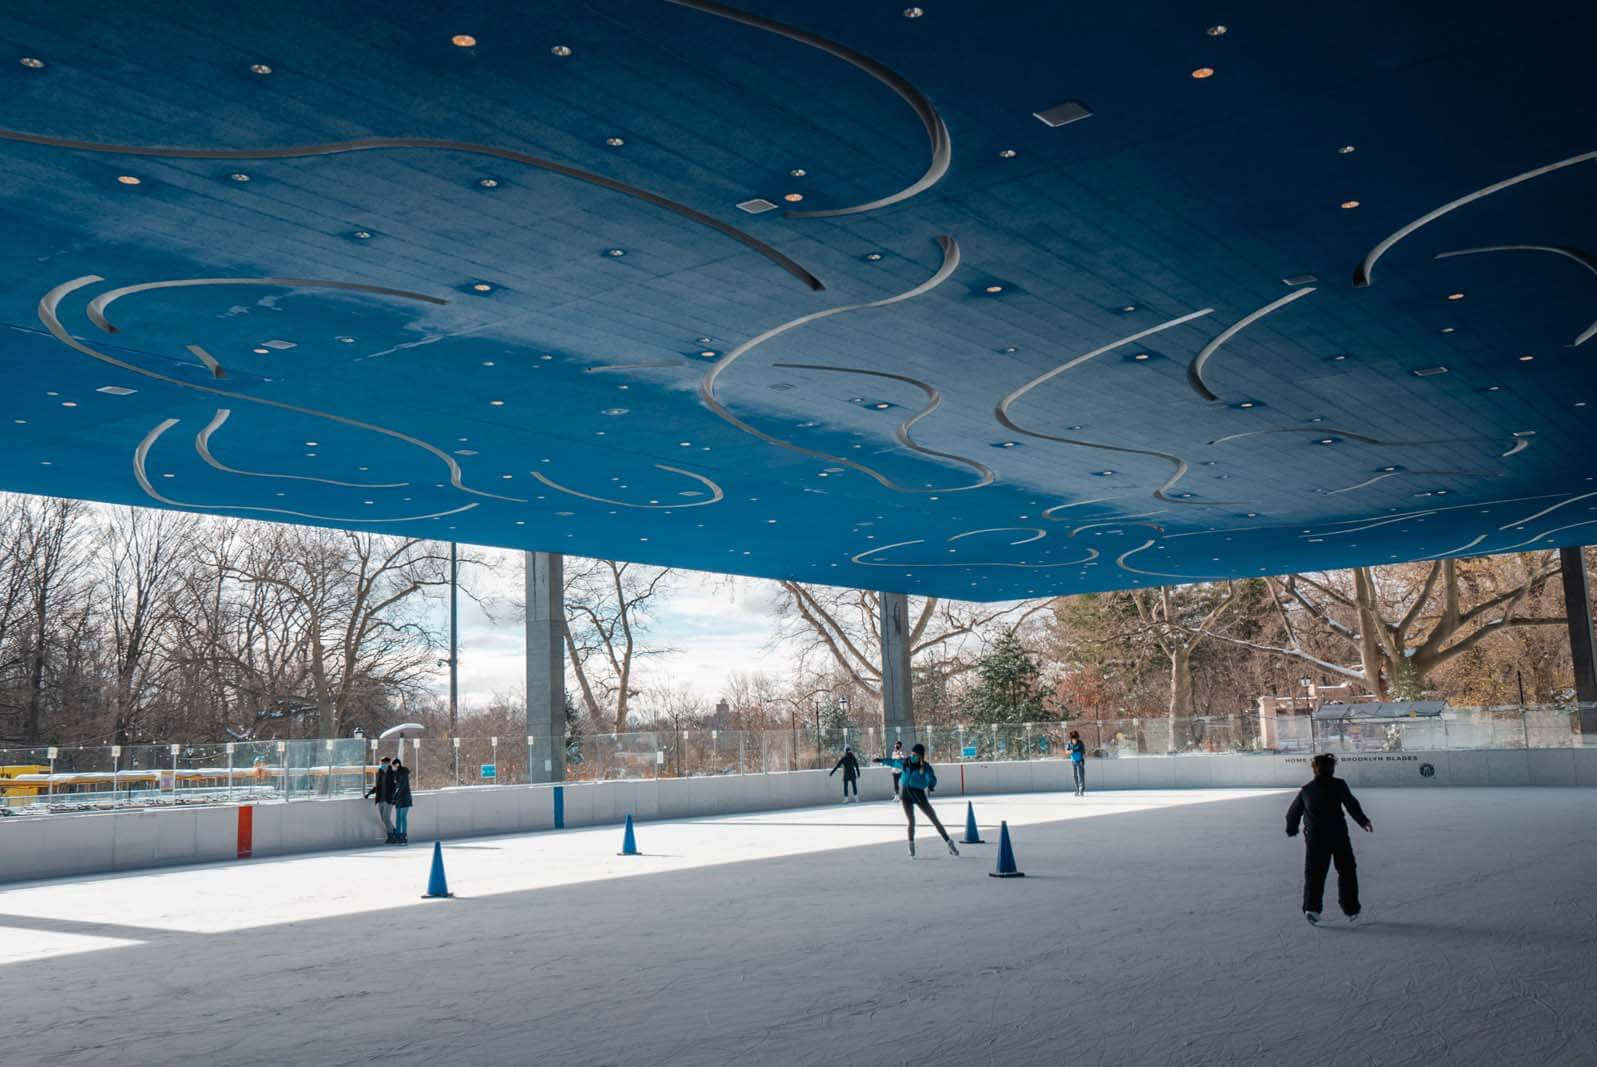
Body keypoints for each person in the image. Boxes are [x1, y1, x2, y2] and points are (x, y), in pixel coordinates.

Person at [1286, 753, 1373, 925]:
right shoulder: (1338, 785)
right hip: (1338, 835)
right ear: (1332, 769)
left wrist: (1291, 829)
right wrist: (1363, 821)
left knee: (1315, 874)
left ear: (1315, 770)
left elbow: (1292, 813)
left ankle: (1312, 908)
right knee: (1347, 870)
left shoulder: (1307, 789)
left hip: (1315, 839)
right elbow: (1351, 804)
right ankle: (1351, 908)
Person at [874, 743, 958, 857]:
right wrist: (881, 760)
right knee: (911, 822)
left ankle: (949, 843)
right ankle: (911, 844)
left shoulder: (925, 766)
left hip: (918, 794)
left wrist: (931, 785)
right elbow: (893, 762)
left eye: (916, 755)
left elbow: (931, 778)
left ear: (921, 756)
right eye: (912, 754)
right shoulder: (906, 762)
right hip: (905, 794)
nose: (913, 756)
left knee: (934, 819)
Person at [365, 755, 395, 842]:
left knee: (386, 818)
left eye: (384, 763)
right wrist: (369, 793)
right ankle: (394, 831)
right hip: (380, 799)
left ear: (388, 763)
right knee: (383, 819)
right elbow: (377, 786)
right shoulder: (380, 772)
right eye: (382, 763)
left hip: (389, 799)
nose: (383, 765)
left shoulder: (392, 773)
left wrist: (394, 796)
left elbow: (395, 785)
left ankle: (391, 835)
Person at [390, 755, 413, 846]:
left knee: (403, 817)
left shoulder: (403, 773)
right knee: (398, 818)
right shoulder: (395, 774)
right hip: (399, 798)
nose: (392, 767)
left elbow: (402, 786)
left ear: (397, 764)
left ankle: (404, 836)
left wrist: (394, 797)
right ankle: (399, 835)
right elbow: (396, 787)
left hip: (405, 798)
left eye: (393, 765)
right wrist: (394, 797)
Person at [1067, 730, 1086, 796]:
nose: (1074, 740)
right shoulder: (1069, 743)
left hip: (1080, 761)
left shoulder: (1080, 743)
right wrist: (1071, 751)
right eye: (1073, 739)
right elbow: (1067, 751)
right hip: (1073, 761)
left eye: (1075, 739)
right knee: (1075, 776)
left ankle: (1081, 789)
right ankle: (1077, 789)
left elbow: (1083, 752)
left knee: (1081, 776)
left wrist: (1076, 751)